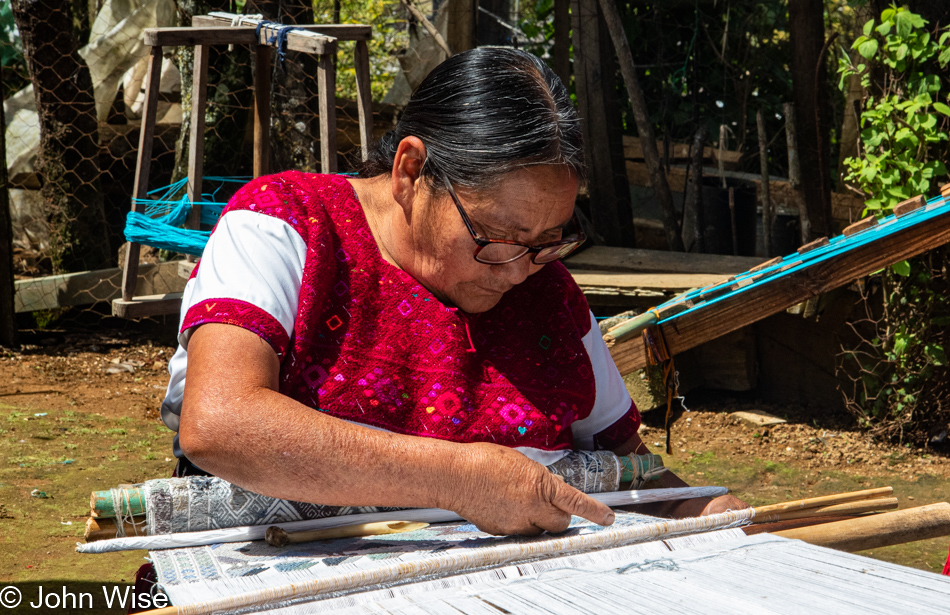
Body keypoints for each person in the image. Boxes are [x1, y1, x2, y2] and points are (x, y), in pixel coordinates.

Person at [160, 47, 745, 537]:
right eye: (496, 238)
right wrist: (459, 477)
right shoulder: (288, 226)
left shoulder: (546, 289)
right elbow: (221, 424)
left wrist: (698, 508)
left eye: (549, 240)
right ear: (411, 172)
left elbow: (624, 466)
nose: (519, 271)